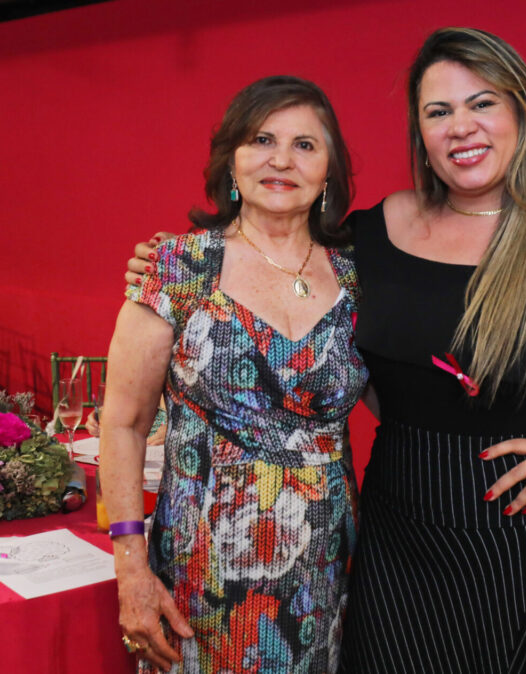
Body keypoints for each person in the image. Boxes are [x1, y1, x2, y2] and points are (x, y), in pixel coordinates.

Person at [126, 27, 526, 673]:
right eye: (439, 112)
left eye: (482, 103)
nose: (461, 127)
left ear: (523, 116)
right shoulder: (376, 234)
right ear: (421, 134)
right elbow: (285, 268)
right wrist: (168, 264)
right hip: (399, 540)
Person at [100, 76, 367, 673]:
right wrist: (131, 570)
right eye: (262, 140)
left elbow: (408, 394)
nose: (281, 160)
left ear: (329, 170)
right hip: (201, 578)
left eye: (305, 145)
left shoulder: (358, 277)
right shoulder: (177, 267)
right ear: (231, 161)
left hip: (326, 573)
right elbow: (123, 423)